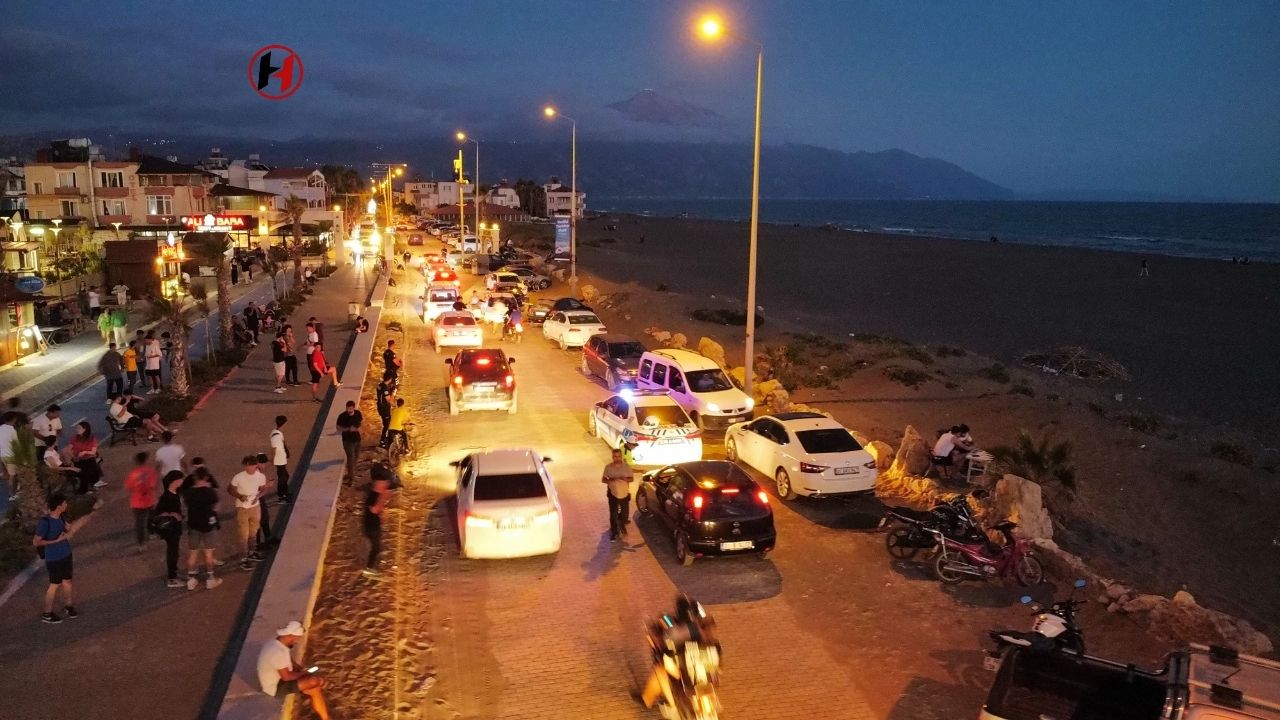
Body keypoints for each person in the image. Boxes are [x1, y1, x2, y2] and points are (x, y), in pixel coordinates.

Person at [639, 595, 720, 710]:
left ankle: (648, 700)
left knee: (660, 669)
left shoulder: (672, 622)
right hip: (702, 663)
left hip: (686, 666)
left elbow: (660, 630)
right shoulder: (700, 623)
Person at [256, 620, 332, 720]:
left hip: (280, 678)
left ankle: (325, 717)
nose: (298, 641)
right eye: (297, 638)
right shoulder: (276, 652)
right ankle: (325, 717)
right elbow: (287, 677)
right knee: (314, 682)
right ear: (291, 636)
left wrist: (300, 669)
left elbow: (288, 659)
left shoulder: (278, 642)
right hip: (275, 687)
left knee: (316, 685)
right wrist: (304, 673)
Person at [34, 492, 77, 624]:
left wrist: (68, 531)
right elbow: (36, 542)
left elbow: (68, 531)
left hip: (66, 554)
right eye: (64, 503)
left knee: (67, 581)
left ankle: (68, 605)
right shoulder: (45, 522)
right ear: (58, 506)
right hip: (54, 558)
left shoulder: (61, 517)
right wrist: (56, 541)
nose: (66, 505)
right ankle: (47, 613)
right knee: (54, 584)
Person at [183, 466, 223, 590]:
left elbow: (186, 505)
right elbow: (216, 508)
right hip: (208, 525)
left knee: (192, 553)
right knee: (208, 553)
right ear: (206, 477)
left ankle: (191, 579)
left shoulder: (189, 492)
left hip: (193, 525)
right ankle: (210, 578)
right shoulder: (210, 492)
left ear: (195, 477)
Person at [229, 455, 267, 570]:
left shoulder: (261, 476)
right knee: (243, 535)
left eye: (252, 465)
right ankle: (243, 559)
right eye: (248, 466)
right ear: (245, 465)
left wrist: (258, 497)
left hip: (255, 507)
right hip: (242, 509)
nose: (250, 468)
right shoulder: (238, 477)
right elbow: (230, 489)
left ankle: (251, 552)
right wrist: (240, 496)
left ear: (256, 465)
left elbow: (263, 489)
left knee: (253, 532)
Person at [154, 471, 187, 588]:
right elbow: (158, 513)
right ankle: (172, 578)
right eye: (181, 479)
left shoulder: (175, 493)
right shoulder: (167, 497)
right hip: (171, 530)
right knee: (172, 552)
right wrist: (172, 513)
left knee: (175, 552)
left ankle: (174, 573)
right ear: (175, 481)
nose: (182, 481)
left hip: (175, 528)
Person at [363, 462, 394, 577]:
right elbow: (375, 510)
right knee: (376, 548)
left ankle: (373, 565)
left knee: (377, 546)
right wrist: (384, 497)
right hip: (371, 527)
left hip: (373, 525)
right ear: (378, 483)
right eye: (384, 483)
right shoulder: (374, 495)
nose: (386, 484)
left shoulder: (375, 492)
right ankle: (369, 569)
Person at [124, 451, 158, 553]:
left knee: (139, 523)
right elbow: (153, 486)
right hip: (149, 499)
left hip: (136, 501)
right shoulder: (150, 471)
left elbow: (128, 487)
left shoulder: (132, 473)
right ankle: (151, 532)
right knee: (151, 516)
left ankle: (141, 544)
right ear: (145, 460)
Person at [602, 448, 636, 541]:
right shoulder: (608, 467)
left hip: (624, 493)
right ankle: (614, 532)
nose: (617, 458)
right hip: (612, 494)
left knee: (624, 514)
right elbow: (603, 479)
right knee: (613, 514)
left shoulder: (626, 467)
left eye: (619, 456)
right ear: (613, 457)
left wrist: (626, 479)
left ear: (621, 457)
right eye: (615, 456)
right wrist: (610, 480)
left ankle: (621, 524)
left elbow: (631, 479)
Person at [68, 421, 105, 494]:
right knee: (85, 471)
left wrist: (85, 452)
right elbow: (69, 449)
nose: (76, 429)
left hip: (88, 459)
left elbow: (93, 451)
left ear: (85, 429)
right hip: (78, 460)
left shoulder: (91, 439)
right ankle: (86, 488)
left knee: (90, 467)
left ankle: (88, 487)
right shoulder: (74, 438)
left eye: (79, 428)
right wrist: (74, 457)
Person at [335, 401, 363, 485]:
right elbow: (338, 428)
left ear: (353, 408)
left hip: (357, 439)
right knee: (351, 458)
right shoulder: (342, 416)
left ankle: (351, 472)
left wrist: (356, 429)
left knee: (356, 456)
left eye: (350, 408)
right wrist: (347, 429)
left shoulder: (358, 413)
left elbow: (360, 423)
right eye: (347, 408)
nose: (348, 410)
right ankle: (351, 477)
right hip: (347, 441)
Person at [270, 415, 291, 504]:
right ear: (284, 423)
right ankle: (281, 497)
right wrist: (272, 460)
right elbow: (274, 449)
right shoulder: (276, 436)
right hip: (279, 461)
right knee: (282, 478)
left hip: (281, 460)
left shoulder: (276, 432)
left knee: (285, 476)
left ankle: (285, 493)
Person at [375, 377, 395, 446]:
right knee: (387, 425)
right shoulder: (385, 389)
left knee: (385, 424)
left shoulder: (379, 385)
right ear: (389, 379)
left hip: (380, 408)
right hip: (385, 410)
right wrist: (393, 393)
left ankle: (386, 438)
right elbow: (390, 401)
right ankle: (383, 440)